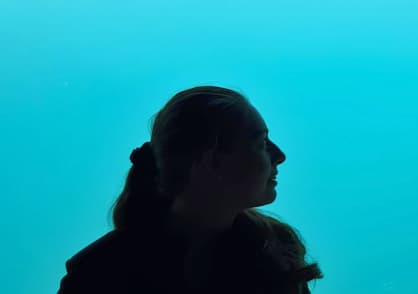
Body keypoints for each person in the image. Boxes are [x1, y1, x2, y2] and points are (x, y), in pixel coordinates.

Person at [57, 86, 322, 294]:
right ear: (211, 159)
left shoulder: (278, 248)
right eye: (262, 142)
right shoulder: (98, 274)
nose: (280, 155)